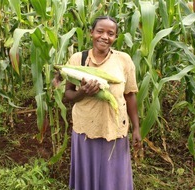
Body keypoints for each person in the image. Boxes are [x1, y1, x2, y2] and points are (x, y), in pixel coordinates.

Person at [60, 16, 141, 190]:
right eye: (100, 31)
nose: (105, 36)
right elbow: (68, 95)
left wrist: (136, 128)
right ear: (91, 33)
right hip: (85, 130)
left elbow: (130, 95)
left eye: (110, 33)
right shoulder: (78, 59)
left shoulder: (123, 60)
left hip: (115, 128)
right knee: (87, 177)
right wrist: (82, 91)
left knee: (114, 178)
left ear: (115, 38)